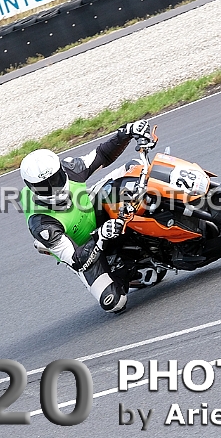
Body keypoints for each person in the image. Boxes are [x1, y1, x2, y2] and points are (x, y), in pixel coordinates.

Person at [19, 120, 153, 313]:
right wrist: (100, 235)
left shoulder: (70, 168)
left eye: (55, 179)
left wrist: (127, 132)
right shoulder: (42, 225)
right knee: (114, 302)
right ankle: (126, 272)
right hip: (85, 248)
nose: (53, 188)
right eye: (44, 187)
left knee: (133, 168)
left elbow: (102, 155)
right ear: (32, 188)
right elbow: (77, 261)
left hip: (91, 209)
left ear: (61, 171)